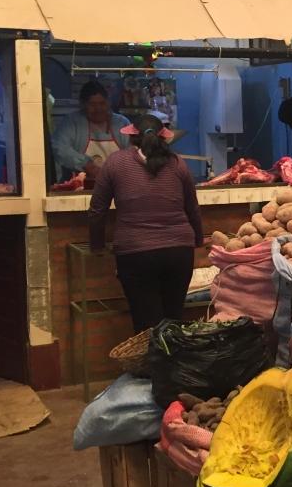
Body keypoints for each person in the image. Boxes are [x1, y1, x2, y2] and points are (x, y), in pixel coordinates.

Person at [88, 113, 204, 333]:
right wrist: (198, 240)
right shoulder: (178, 163)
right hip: (179, 252)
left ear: (132, 136)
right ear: (164, 136)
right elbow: (193, 208)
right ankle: (172, 356)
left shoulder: (115, 162)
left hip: (135, 253)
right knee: (173, 321)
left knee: (145, 324)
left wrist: (97, 245)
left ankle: (151, 357)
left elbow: (97, 210)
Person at [53, 81, 130, 182]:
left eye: (102, 103)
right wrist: (85, 164)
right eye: (92, 104)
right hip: (80, 185)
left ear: (108, 103)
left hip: (116, 184)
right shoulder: (71, 122)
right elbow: (59, 148)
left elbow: (133, 152)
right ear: (83, 105)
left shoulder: (122, 123)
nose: (98, 109)